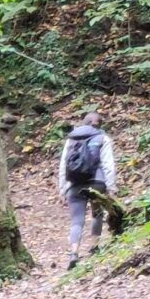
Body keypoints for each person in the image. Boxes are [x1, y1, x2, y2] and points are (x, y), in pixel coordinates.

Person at [56, 108, 121, 266]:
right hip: (97, 183)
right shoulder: (102, 138)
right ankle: (94, 245)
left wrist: (63, 189)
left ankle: (74, 252)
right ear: (98, 125)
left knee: (76, 220)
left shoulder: (71, 139)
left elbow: (63, 165)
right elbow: (108, 164)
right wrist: (111, 187)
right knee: (97, 214)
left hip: (74, 184)